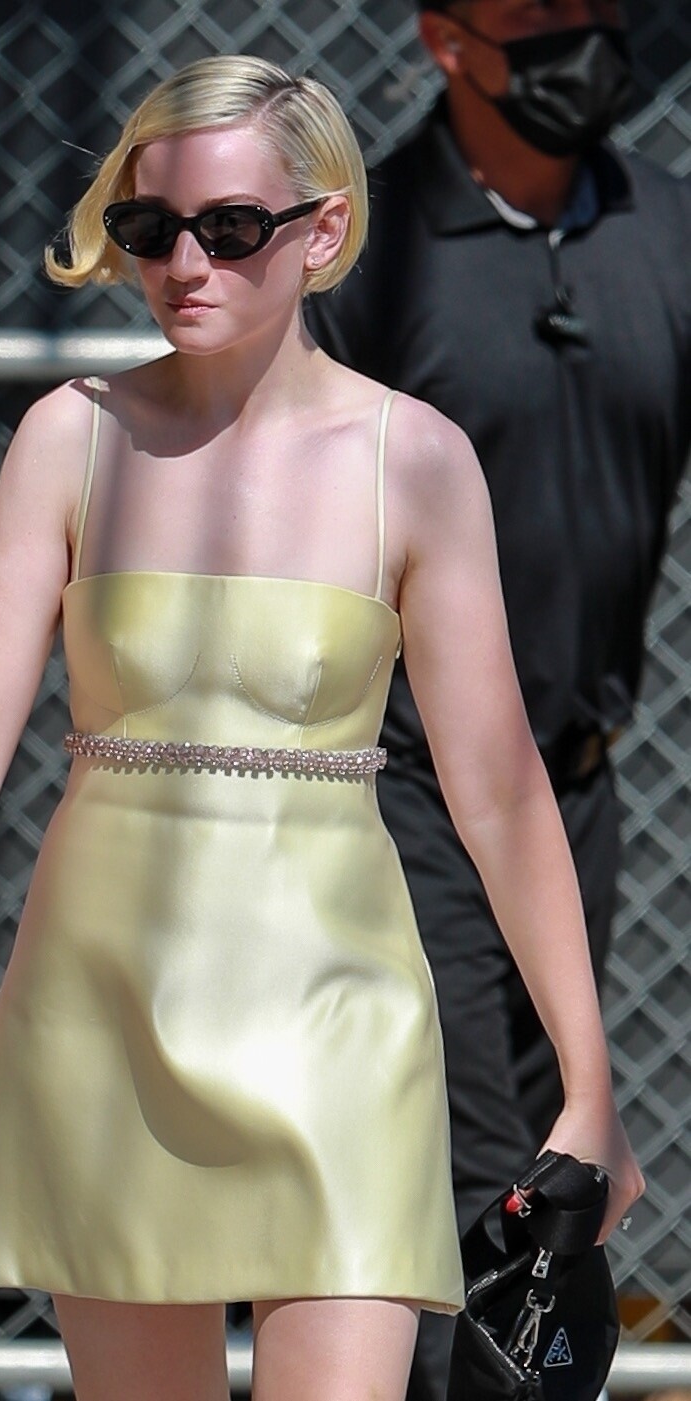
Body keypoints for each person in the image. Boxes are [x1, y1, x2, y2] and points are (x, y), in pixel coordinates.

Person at [0, 54, 642, 1401]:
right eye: (149, 226)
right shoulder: (69, 437)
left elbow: (501, 788)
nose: (183, 264)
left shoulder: (412, 459)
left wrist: (588, 1082)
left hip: (336, 1006)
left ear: (322, 231)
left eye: (229, 227)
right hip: (103, 1001)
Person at [307, 3, 691, 1398]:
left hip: (569, 783)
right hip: (397, 783)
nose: (575, 39)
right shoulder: (365, 251)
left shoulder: (665, 230)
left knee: (554, 1170)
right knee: (477, 1177)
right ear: (444, 39)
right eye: (533, 16)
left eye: (594, 11)